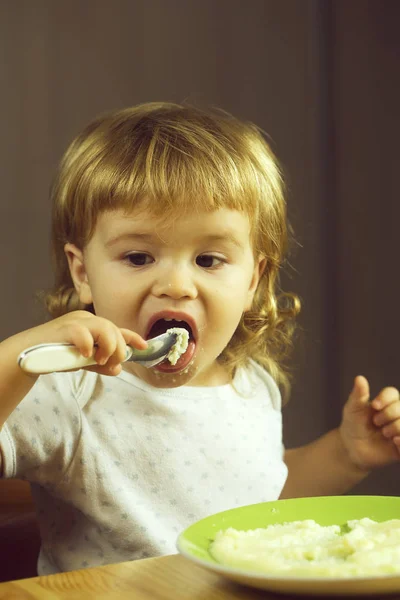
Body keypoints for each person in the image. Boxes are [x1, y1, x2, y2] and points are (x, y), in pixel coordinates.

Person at [0, 102, 399, 576]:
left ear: (254, 279)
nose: (176, 285)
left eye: (208, 261)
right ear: (83, 272)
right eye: (138, 257)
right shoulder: (71, 393)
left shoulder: (248, 385)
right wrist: (19, 357)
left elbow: (257, 507)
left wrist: (346, 453)